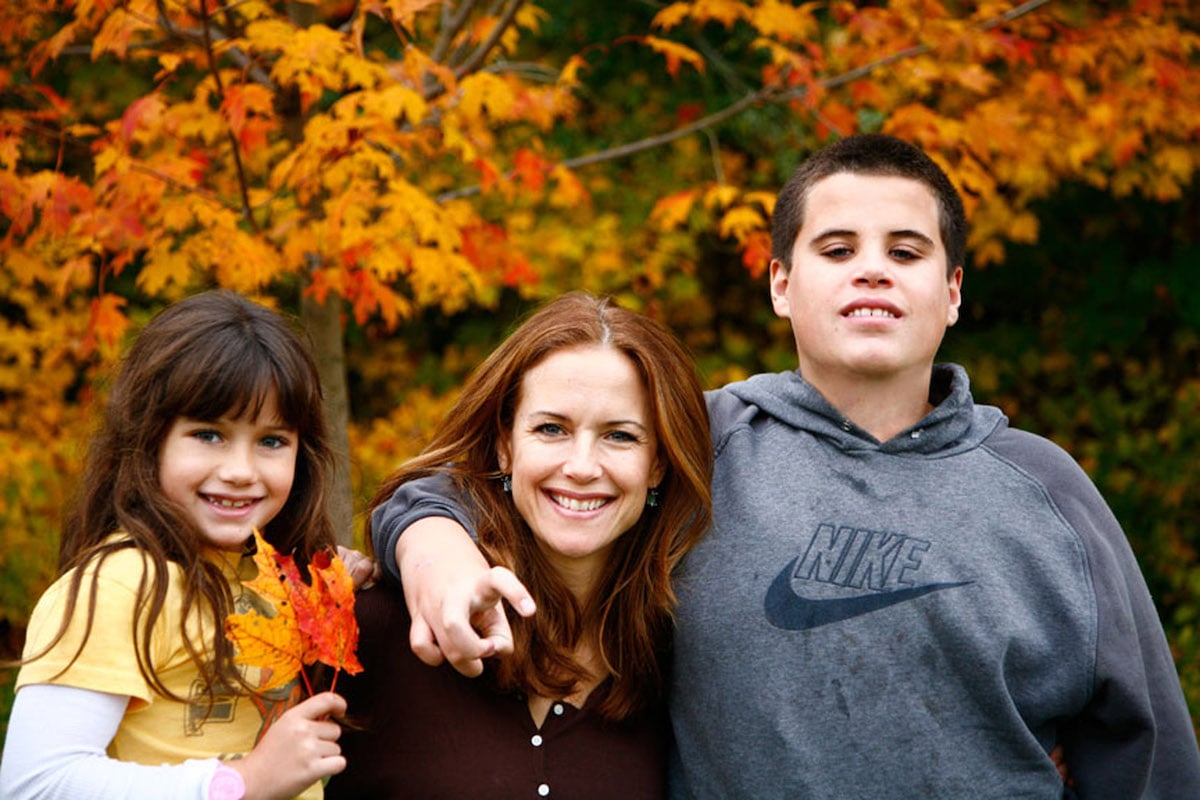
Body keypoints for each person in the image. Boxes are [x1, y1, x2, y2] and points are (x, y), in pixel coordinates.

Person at [371, 134, 1200, 797]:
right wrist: (433, 548)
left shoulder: (1045, 493)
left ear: (951, 293)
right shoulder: (698, 441)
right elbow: (489, 481)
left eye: (905, 252)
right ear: (780, 283)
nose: (871, 267)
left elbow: (1148, 749)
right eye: (837, 248)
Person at [325, 291, 712, 799]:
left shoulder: (677, 659)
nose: (581, 466)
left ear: (658, 463)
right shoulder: (382, 622)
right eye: (551, 429)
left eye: (619, 436)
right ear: (506, 446)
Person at [0, 290, 349, 800]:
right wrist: (241, 783)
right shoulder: (124, 583)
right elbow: (35, 783)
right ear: (150, 439)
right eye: (208, 434)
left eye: (272, 441)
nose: (239, 471)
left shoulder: (274, 572)